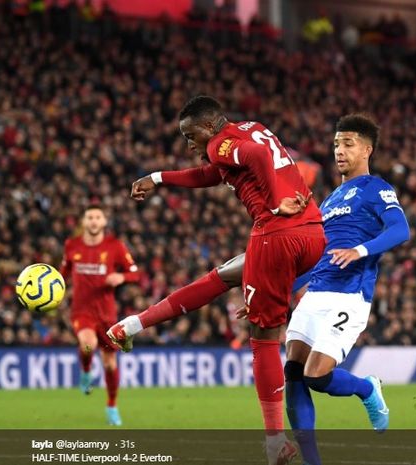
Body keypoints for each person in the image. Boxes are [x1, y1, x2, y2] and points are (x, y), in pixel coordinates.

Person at [109, 95, 325, 465]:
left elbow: (252, 161)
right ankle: (131, 326)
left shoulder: (219, 143)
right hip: (312, 233)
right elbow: (215, 172)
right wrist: (159, 178)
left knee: (263, 340)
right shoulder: (251, 129)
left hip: (276, 233)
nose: (190, 144)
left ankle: (275, 442)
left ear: (208, 126)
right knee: (227, 274)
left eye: (189, 135)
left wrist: (274, 204)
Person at [281, 114, 409, 465]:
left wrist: (360, 250)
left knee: (316, 375)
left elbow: (401, 230)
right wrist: (278, 293)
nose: (340, 150)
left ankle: (368, 388)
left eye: (348, 143)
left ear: (367, 149)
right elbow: (315, 257)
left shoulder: (376, 188)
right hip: (316, 292)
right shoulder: (330, 199)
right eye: (337, 143)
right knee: (292, 371)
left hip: (350, 294)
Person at [60, 204, 140, 426]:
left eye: (97, 217)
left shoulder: (115, 246)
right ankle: (86, 370)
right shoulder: (72, 246)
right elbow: (62, 275)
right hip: (82, 311)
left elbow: (135, 273)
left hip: (106, 314)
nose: (94, 221)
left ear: (103, 222)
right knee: (87, 343)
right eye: (90, 217)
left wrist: (121, 278)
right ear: (84, 222)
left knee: (110, 363)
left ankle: (112, 406)